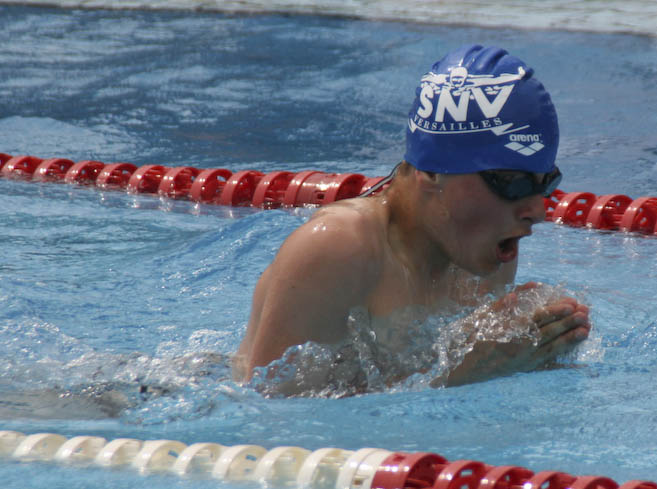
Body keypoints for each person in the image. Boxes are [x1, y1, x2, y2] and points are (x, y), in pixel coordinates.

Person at [233, 45, 591, 392]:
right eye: (513, 183)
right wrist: (465, 371)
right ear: (433, 171)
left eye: (546, 183)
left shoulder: (484, 254)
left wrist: (535, 356)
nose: (537, 212)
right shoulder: (337, 248)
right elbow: (269, 411)